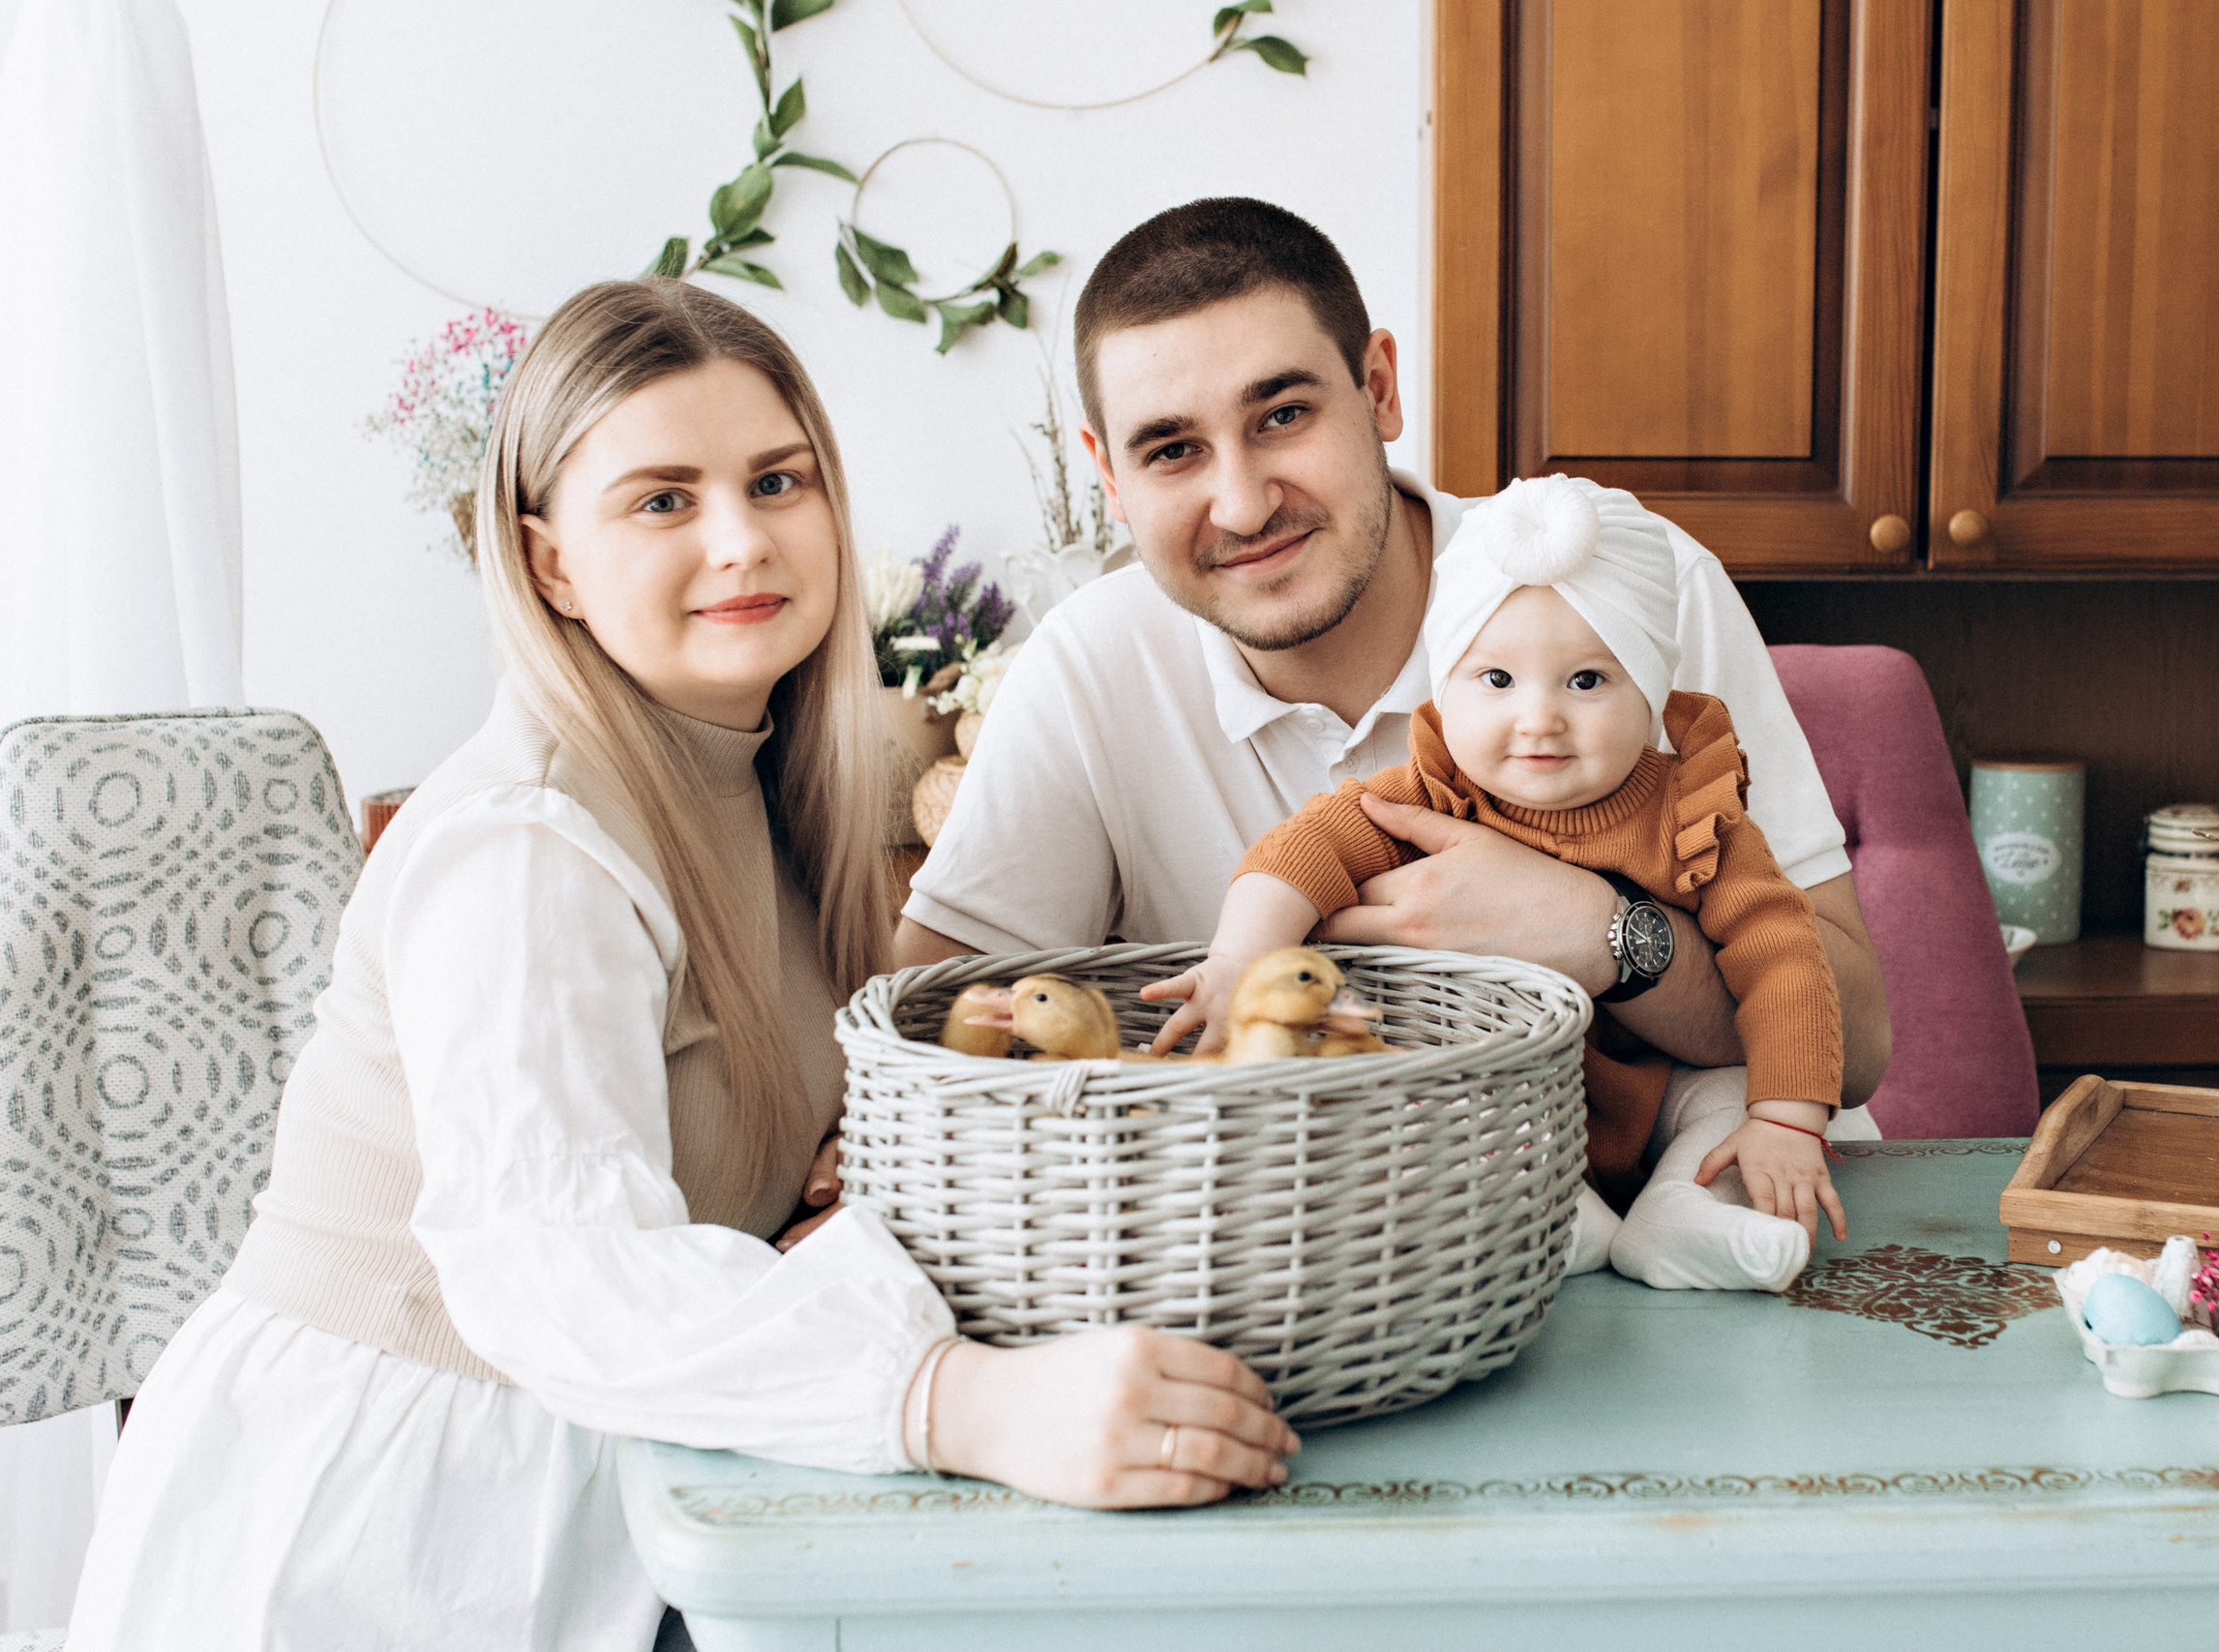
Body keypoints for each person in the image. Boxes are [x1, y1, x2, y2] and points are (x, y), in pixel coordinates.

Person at [69, 281, 1294, 1652]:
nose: (740, 537)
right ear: (548, 564)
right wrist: (968, 1402)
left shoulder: (764, 788)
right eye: (662, 499)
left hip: (591, 1481)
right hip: (392, 1522)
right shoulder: (529, 845)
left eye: (778, 480)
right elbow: (558, 1273)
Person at [899, 197, 1892, 1156]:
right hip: (1335, 1269)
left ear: (1378, 389)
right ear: (1108, 476)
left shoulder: (1622, 577)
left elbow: (1857, 1045)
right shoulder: (1086, 666)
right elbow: (922, 1038)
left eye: (1282, 414)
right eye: (1171, 450)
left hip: (1689, 1213)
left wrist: (1607, 934)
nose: (1241, 505)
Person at [1146, 473, 1848, 1290]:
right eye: (1497, 681)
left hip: (1658, 1102)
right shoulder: (1426, 794)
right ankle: (1557, 1223)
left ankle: (1681, 1213)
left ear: (1652, 688)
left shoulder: (1691, 812)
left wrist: (1787, 1119)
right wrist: (1237, 962)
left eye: (1587, 681)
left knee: (1730, 1096)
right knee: (1420, 1110)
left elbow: (1786, 957)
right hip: (1504, 1112)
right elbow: (1298, 855)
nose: (1539, 718)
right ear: (1446, 689)